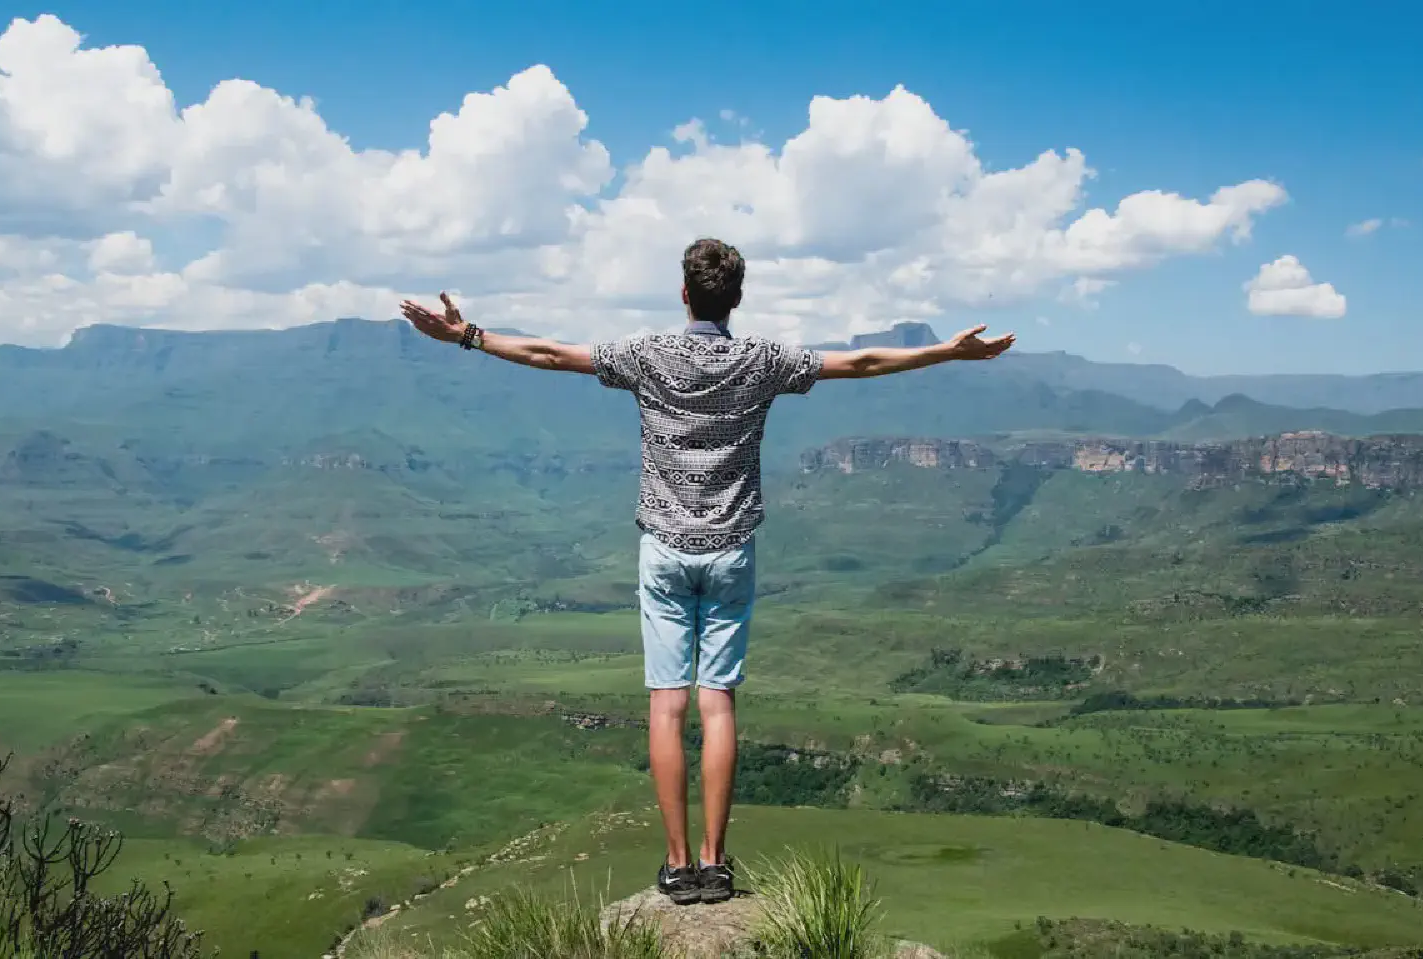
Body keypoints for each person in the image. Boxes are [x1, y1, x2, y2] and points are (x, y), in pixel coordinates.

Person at [400, 238, 1015, 906]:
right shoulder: (763, 360)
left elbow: (550, 354)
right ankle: (716, 866)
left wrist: (469, 336)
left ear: (685, 293)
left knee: (667, 703)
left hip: (663, 548)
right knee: (716, 699)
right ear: (737, 298)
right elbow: (861, 361)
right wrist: (948, 351)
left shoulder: (648, 354)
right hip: (731, 549)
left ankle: (676, 864)